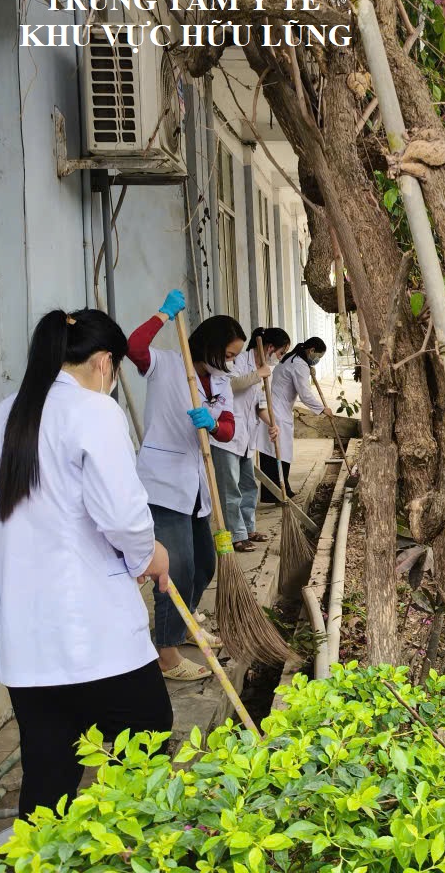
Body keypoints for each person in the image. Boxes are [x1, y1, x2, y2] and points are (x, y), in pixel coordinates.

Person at [0, 309, 173, 822]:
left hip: (25, 637)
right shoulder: (93, 412)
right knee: (146, 745)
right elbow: (123, 517)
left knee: (49, 771)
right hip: (93, 635)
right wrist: (151, 554)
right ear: (105, 363)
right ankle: (141, 849)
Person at [128, 290, 245, 681]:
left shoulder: (220, 383)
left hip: (196, 486)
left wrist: (213, 425)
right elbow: (134, 346)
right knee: (175, 569)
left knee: (205, 566)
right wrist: (163, 313)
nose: (231, 362)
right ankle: (167, 655)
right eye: (228, 354)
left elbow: (227, 429)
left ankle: (184, 627)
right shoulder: (165, 364)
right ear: (210, 348)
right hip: (163, 485)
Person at [211, 327, 290, 552]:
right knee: (230, 489)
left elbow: (260, 406)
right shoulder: (236, 361)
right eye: (281, 353)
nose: (280, 358)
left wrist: (271, 425)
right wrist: (259, 374)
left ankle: (248, 528)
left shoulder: (266, 371)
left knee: (248, 485)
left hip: (246, 438)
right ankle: (236, 535)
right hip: (226, 436)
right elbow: (230, 386)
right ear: (270, 348)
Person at [254, 337, 327, 502]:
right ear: (311, 350)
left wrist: (309, 370)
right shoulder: (299, 365)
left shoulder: (292, 359)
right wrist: (322, 409)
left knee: (275, 452)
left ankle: (278, 491)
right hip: (277, 413)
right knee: (278, 453)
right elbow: (305, 394)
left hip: (277, 409)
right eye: (318, 356)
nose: (317, 360)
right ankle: (279, 492)